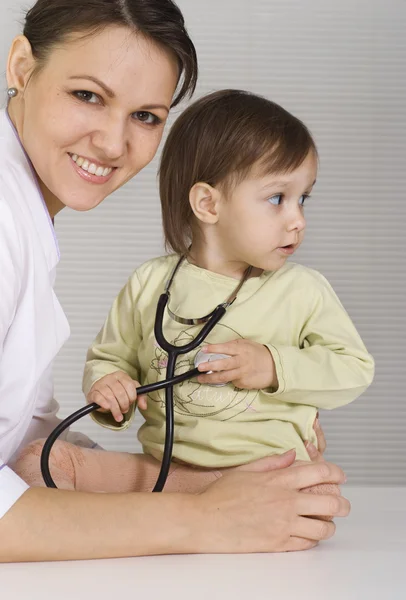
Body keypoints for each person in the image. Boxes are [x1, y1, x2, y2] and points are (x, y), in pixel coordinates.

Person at [0, 0, 351, 563]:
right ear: (21, 66)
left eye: (146, 116)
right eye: (87, 95)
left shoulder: (24, 217)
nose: (114, 144)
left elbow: (20, 446)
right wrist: (204, 516)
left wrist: (239, 457)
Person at [15, 90, 374, 507]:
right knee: (39, 463)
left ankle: (190, 516)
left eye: (303, 199)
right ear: (208, 203)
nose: (298, 220)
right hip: (170, 472)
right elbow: (111, 359)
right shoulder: (151, 283)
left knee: (317, 496)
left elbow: (354, 369)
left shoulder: (302, 290)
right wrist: (108, 387)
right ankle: (194, 512)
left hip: (265, 474)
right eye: (277, 198)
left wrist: (273, 365)